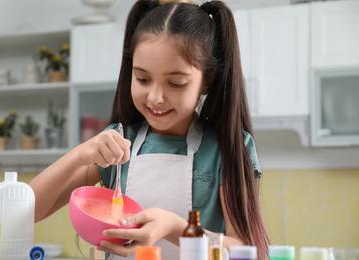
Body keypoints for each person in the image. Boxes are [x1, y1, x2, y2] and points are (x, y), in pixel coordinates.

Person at [29, 0, 270, 259]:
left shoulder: (226, 148)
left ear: (207, 81)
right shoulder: (119, 142)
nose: (156, 97)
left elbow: (249, 250)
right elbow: (28, 210)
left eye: (176, 83)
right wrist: (80, 153)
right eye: (143, 79)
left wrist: (176, 228)